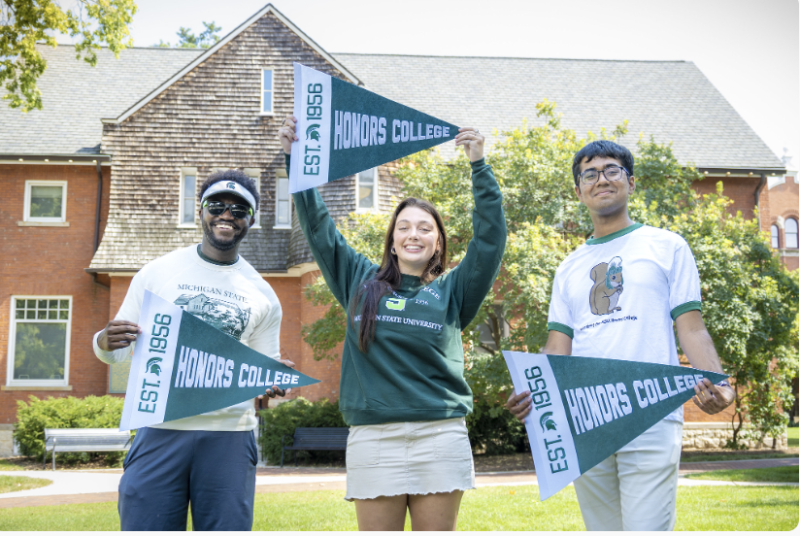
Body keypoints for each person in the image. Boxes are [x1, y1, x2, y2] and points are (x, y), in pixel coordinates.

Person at [279, 116, 506, 531]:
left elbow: (490, 241)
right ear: (393, 240)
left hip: (439, 436)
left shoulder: (454, 290)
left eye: (424, 227)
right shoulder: (359, 281)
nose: (413, 234)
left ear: (438, 240)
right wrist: (298, 161)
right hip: (374, 438)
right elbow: (319, 229)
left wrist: (479, 165)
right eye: (404, 227)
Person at [506, 140, 735, 531]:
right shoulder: (568, 267)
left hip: (651, 408)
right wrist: (534, 392)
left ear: (630, 182)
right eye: (589, 174)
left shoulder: (667, 246)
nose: (601, 179)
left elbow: (691, 326)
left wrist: (720, 383)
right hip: (585, 415)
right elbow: (558, 347)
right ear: (578, 192)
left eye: (612, 170)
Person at [93, 169, 293, 531]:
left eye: (239, 210)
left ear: (251, 220)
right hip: (159, 429)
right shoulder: (158, 272)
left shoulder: (263, 294)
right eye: (216, 205)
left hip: (230, 436)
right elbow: (116, 350)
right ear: (200, 210)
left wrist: (274, 381)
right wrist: (103, 342)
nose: (226, 215)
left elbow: (264, 372)